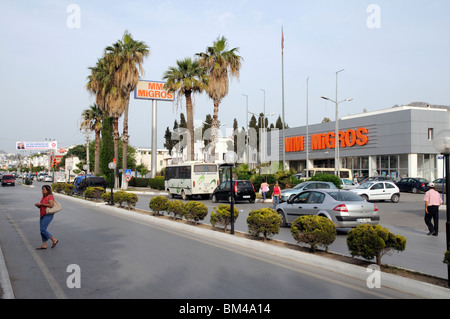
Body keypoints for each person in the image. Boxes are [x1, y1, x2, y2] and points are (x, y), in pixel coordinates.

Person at [34, 185, 59, 249]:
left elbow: (51, 205)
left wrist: (42, 204)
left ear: (48, 190)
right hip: (42, 214)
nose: (42, 191)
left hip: (48, 214)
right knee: (42, 230)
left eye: (44, 189)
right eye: (42, 189)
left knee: (43, 229)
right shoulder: (43, 197)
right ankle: (44, 244)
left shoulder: (50, 196)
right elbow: (43, 205)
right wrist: (39, 205)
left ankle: (54, 240)